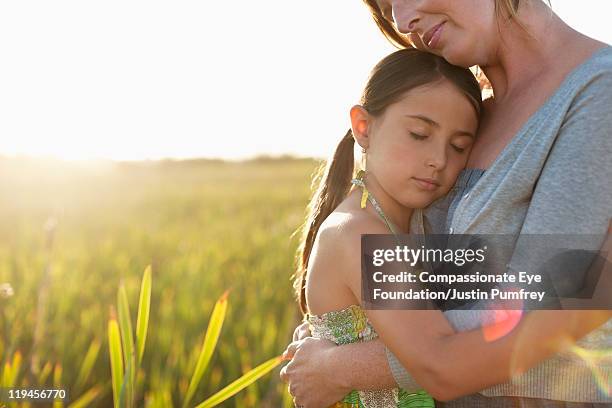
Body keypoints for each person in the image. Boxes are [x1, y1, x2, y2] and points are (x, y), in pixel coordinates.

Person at [281, 0, 612, 407]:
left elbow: (541, 313)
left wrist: (344, 365)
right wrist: (342, 332)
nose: (401, 21)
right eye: (387, 8)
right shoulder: (466, 109)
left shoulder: (598, 92)